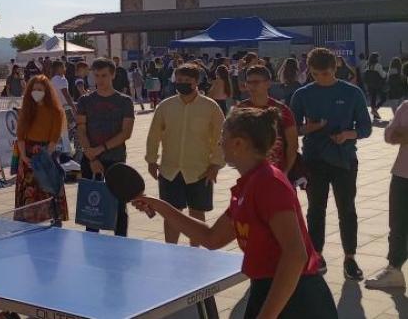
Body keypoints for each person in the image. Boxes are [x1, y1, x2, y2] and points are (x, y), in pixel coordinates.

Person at [131, 107, 336, 319]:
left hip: (298, 298)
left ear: (238, 144)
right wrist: (159, 205)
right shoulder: (248, 185)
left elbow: (295, 255)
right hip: (269, 289)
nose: (219, 143)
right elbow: (211, 238)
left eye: (223, 136)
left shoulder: (269, 183)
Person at [290, 47, 372, 280]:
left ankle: (350, 257)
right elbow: (292, 129)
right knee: (316, 209)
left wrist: (347, 135)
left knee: (347, 209)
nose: (320, 79)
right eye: (315, 74)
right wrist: (310, 128)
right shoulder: (302, 94)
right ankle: (316, 254)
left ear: (335, 68)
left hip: (344, 160)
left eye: (325, 74)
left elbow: (365, 128)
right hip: (314, 160)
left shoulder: (352, 92)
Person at [145, 63, 225, 245]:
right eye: (179, 79)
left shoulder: (210, 107)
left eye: (187, 80)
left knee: (197, 214)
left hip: (200, 171)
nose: (182, 83)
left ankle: (194, 253)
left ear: (196, 82)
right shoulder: (166, 106)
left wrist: (215, 165)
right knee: (171, 214)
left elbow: (221, 137)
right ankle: (171, 250)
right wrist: (151, 160)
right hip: (170, 170)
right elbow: (154, 134)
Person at [76, 57, 136, 237]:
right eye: (96, 76)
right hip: (90, 160)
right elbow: (81, 130)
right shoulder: (85, 101)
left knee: (119, 206)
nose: (100, 80)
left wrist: (100, 149)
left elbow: (126, 133)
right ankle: (91, 243)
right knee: (91, 207)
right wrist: (92, 157)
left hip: (115, 160)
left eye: (104, 75)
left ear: (113, 75)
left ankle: (121, 243)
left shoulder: (125, 101)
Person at [366, 101, 408, 289]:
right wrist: (401, 134)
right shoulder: (405, 106)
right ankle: (394, 270)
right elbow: (389, 134)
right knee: (398, 225)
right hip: (402, 174)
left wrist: (402, 133)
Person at [15, 76, 68, 223]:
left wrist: (44, 156)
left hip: (46, 153)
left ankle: (54, 217)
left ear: (47, 91)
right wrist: (24, 156)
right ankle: (28, 218)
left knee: (49, 186)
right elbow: (20, 136)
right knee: (29, 189)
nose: (36, 92)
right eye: (34, 89)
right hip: (27, 154)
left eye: (40, 89)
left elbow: (54, 138)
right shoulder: (26, 110)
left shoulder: (56, 112)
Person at [239, 65, 300, 177]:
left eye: (256, 82)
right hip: (249, 172)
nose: (252, 86)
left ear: (268, 83)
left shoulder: (282, 110)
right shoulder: (240, 110)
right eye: (249, 83)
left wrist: (286, 171)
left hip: (276, 171)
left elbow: (293, 144)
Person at [363, 53, 387, 120]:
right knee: (383, 98)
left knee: (373, 99)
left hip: (370, 85)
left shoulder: (367, 65)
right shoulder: (378, 65)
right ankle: (375, 109)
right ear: (376, 58)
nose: (380, 58)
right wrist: (386, 74)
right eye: (379, 57)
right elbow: (383, 75)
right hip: (378, 85)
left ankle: (375, 115)